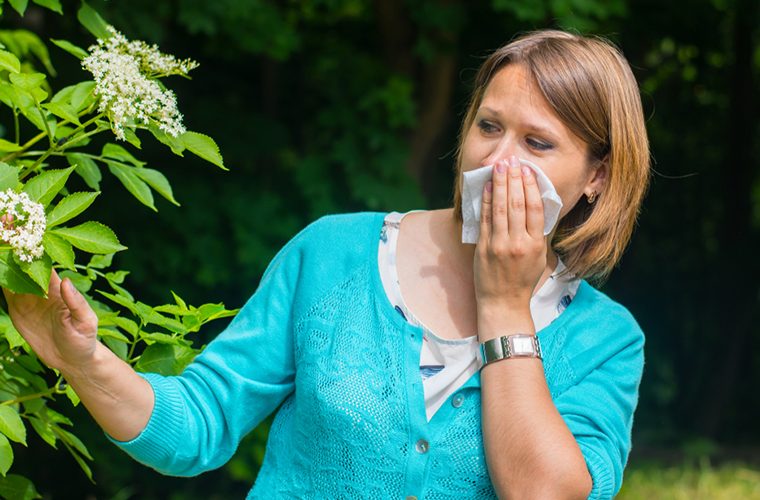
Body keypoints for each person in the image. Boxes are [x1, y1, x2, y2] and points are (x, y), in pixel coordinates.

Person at [4, 29, 648, 499]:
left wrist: (505, 307)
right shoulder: (332, 254)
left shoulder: (606, 341)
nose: (497, 160)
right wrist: (83, 362)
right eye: (488, 126)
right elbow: (197, 427)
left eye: (537, 143)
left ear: (597, 175)